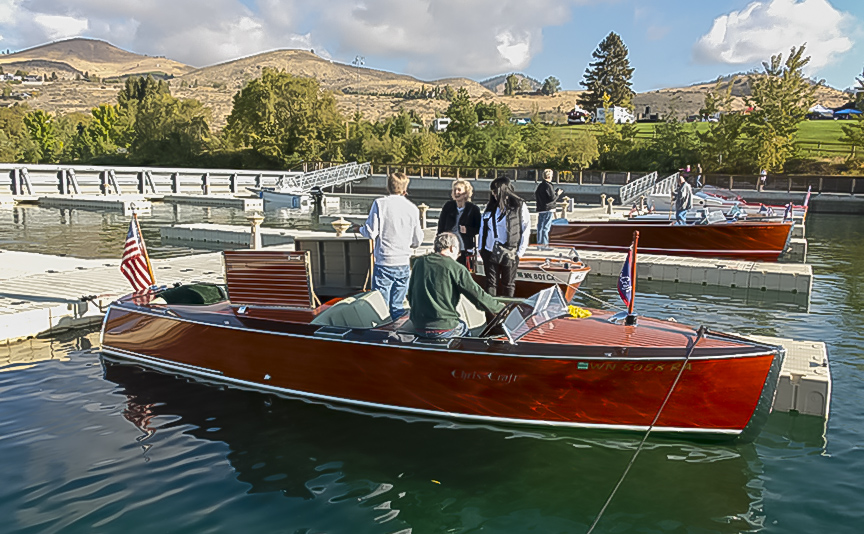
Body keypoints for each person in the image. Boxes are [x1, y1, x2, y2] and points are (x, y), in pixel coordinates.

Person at [407, 232, 505, 338]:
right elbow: (477, 296)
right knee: (465, 331)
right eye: (458, 252)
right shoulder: (456, 268)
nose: (457, 256)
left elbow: (410, 294)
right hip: (444, 327)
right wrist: (500, 308)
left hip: (418, 325)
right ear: (452, 248)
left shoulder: (419, 263)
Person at [355, 172, 423, 319]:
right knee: (398, 307)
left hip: (384, 262)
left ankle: (380, 335)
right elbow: (417, 240)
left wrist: (359, 229)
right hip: (403, 262)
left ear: (388, 187)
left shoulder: (380, 204)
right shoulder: (413, 208)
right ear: (405, 189)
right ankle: (396, 337)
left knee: (380, 307)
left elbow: (371, 233)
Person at [478, 177, 530, 297]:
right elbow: (483, 228)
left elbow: (525, 228)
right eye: (492, 192)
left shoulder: (519, 206)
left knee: (508, 284)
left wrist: (520, 251)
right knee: (491, 283)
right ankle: (491, 313)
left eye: (496, 191)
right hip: (489, 250)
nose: (494, 195)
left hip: (509, 251)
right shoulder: (490, 207)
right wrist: (480, 248)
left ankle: (507, 311)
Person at [436, 179, 481, 270]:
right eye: (454, 190)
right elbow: (441, 226)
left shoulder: (473, 209)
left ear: (466, 192)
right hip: (448, 245)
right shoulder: (448, 206)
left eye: (459, 190)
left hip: (464, 246)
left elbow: (478, 228)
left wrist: (467, 230)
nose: (456, 192)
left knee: (462, 270)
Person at [534, 168, 563, 246]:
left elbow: (537, 195)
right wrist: (558, 194)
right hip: (548, 209)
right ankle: (545, 244)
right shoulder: (548, 185)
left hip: (541, 209)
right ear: (550, 176)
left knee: (540, 227)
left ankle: (539, 244)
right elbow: (552, 198)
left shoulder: (540, 185)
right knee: (546, 228)